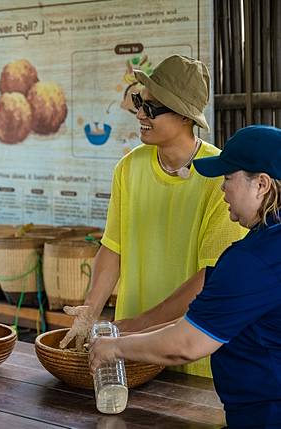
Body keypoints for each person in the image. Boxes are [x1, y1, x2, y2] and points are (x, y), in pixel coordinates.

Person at [62, 55, 247, 376]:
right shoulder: (129, 167)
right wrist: (90, 312)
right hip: (128, 348)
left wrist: (139, 326)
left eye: (152, 108)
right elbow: (113, 247)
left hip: (189, 347)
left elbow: (211, 276)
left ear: (186, 117)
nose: (139, 113)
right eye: (139, 101)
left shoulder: (221, 177)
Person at [90, 125, 281, 428]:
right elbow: (206, 319)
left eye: (228, 178)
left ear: (261, 184)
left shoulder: (253, 260)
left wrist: (115, 348)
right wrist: (131, 334)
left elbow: (187, 344)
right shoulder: (265, 246)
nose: (222, 189)